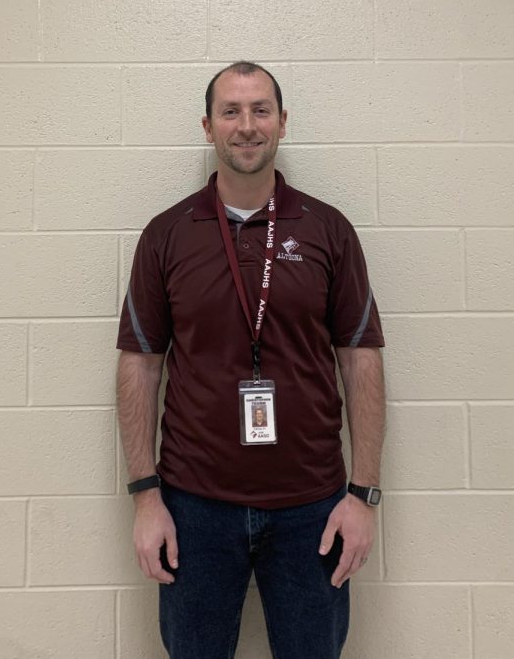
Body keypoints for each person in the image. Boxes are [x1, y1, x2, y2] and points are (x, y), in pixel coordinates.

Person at [116, 61, 385, 659]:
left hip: (312, 507)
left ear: (282, 123)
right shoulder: (166, 234)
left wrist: (362, 496)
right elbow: (139, 367)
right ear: (207, 127)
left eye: (260, 110)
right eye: (230, 112)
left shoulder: (327, 229)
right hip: (193, 508)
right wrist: (145, 497)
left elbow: (361, 359)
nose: (246, 126)